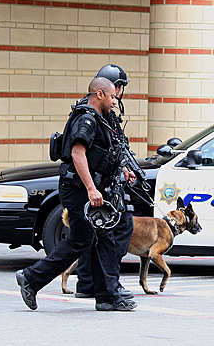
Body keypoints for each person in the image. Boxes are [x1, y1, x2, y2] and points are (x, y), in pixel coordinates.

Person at [16, 77, 137, 311]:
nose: (115, 101)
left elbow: (102, 153)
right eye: (112, 96)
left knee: (94, 240)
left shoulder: (101, 119)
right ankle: (33, 278)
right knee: (87, 240)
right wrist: (92, 189)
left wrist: (122, 169)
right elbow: (78, 154)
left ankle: (105, 296)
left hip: (87, 186)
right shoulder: (87, 119)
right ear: (99, 94)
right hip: (79, 188)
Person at [73, 64, 135, 300]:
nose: (118, 95)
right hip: (98, 183)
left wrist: (124, 167)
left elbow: (115, 147)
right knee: (116, 230)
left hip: (104, 180)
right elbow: (84, 151)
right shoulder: (91, 115)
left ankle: (91, 283)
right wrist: (92, 187)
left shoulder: (105, 113)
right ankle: (107, 284)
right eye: (117, 89)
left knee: (94, 235)